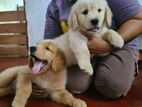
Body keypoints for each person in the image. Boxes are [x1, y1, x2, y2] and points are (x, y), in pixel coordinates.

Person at [33, 0, 142, 99]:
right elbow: (51, 45)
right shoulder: (55, 5)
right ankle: (95, 74)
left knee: (113, 86)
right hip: (80, 51)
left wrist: (106, 46)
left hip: (118, 44)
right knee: (73, 85)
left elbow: (138, 19)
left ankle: (126, 67)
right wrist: (40, 71)